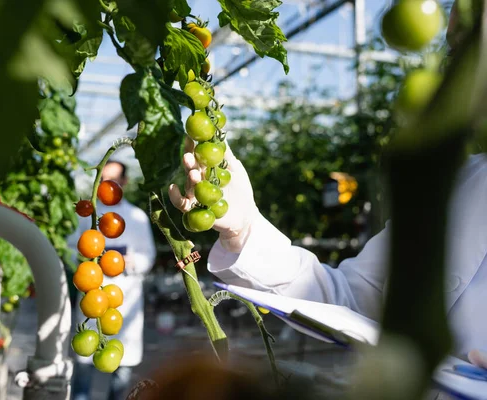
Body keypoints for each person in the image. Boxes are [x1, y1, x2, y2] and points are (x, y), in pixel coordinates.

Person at [168, 2, 487, 371]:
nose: (460, 72)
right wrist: (245, 229)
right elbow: (352, 302)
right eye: (454, 51)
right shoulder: (460, 186)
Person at [68, 160, 157, 400]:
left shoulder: (137, 217)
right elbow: (70, 248)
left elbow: (148, 255)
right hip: (91, 301)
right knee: (83, 374)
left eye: (114, 181)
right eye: (104, 181)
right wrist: (85, 258)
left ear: (124, 182)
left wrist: (130, 262)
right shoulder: (87, 215)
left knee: (121, 378)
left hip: (124, 303)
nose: (108, 186)